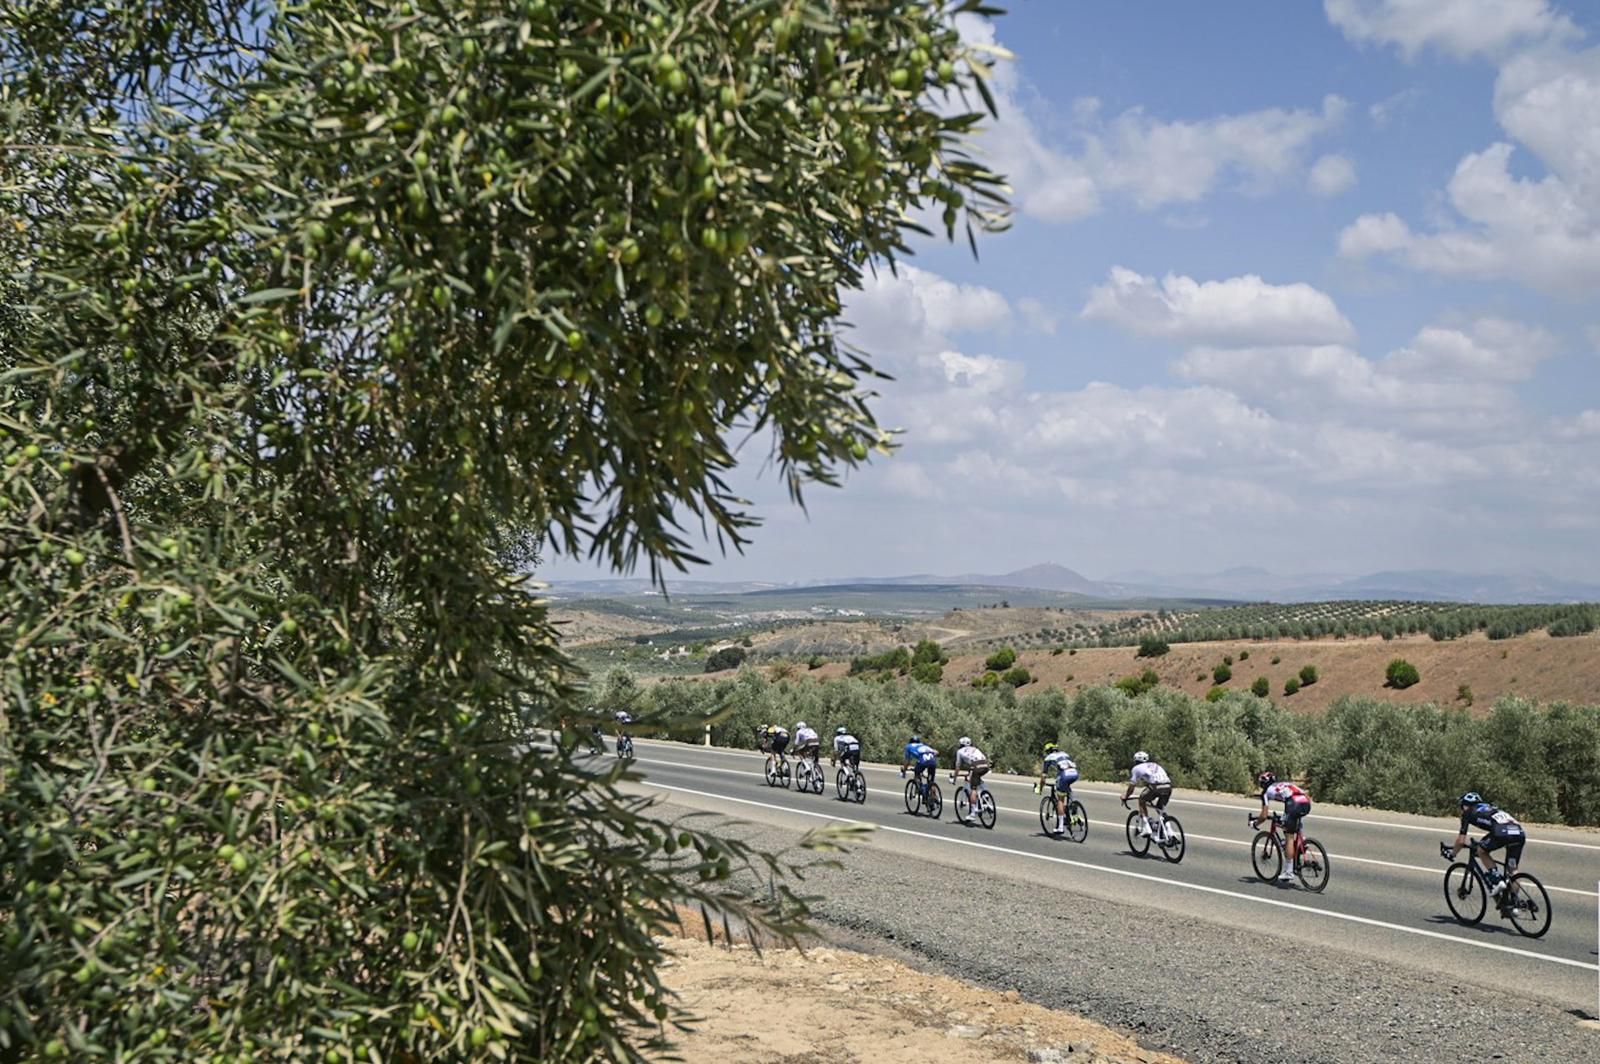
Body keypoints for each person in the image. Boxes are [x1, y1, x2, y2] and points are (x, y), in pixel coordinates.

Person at [1450, 791, 1526, 896]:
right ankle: (1513, 904)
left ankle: (1497, 880)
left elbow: (1461, 841)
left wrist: (1452, 854)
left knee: (1481, 850)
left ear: (1465, 805)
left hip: (1501, 832)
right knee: (1512, 869)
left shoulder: (1467, 813)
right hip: (1519, 832)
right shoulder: (1491, 807)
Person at [1251, 771, 1311, 883]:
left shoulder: (1265, 793)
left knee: (1289, 836)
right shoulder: (1283, 784)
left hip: (1293, 804)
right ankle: (1301, 844)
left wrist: (1255, 823)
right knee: (1292, 823)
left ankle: (1288, 872)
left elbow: (1263, 816)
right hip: (1305, 802)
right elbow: (1302, 794)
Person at [1120, 751, 1172, 839]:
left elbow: (1131, 788)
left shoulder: (1136, 768)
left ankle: (1147, 828)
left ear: (1135, 761)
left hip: (1155, 787)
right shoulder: (1155, 765)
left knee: (1142, 800)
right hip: (1168, 786)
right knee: (1160, 809)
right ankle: (1170, 832)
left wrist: (1126, 796)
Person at [1036, 742, 1079, 837]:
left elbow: (1043, 778)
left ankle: (1060, 827)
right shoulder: (1064, 754)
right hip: (1075, 773)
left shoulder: (1048, 758)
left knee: (1060, 799)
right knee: (1066, 787)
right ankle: (1073, 808)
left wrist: (1040, 788)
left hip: (1064, 775)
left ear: (1048, 751)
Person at [951, 736, 990, 822]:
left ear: (961, 744)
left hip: (976, 766)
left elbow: (957, 767)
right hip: (985, 765)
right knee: (977, 778)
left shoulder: (960, 751)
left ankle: (972, 813)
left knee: (973, 788)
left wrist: (954, 778)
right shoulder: (975, 748)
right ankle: (985, 794)